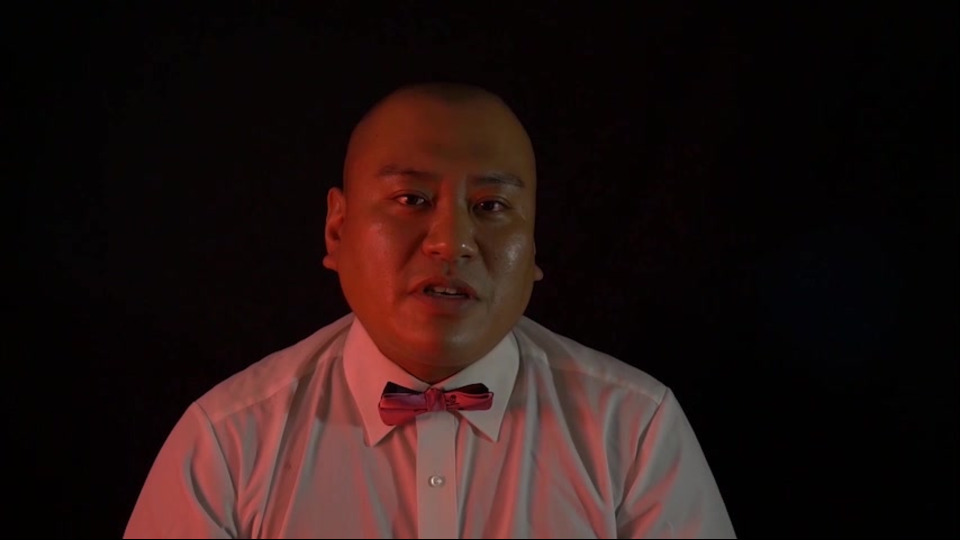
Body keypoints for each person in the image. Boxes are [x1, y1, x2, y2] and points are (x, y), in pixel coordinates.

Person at [123, 82, 737, 539]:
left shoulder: (634, 430)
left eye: (491, 207)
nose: (451, 242)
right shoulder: (227, 444)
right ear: (337, 230)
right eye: (411, 199)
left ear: (534, 246)